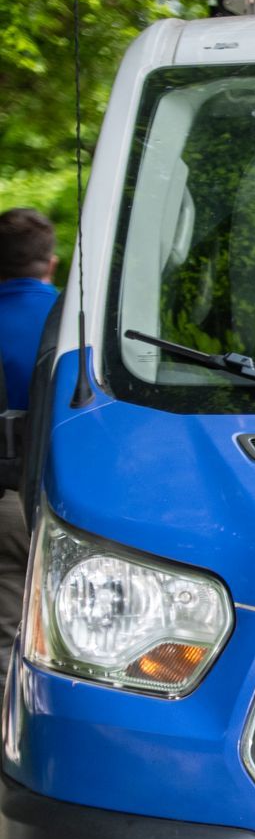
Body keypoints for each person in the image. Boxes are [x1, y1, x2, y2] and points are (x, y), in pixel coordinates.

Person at [0, 208, 60, 648]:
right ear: (51, 261)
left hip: (4, 507)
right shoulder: (78, 323)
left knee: (6, 633)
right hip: (60, 497)